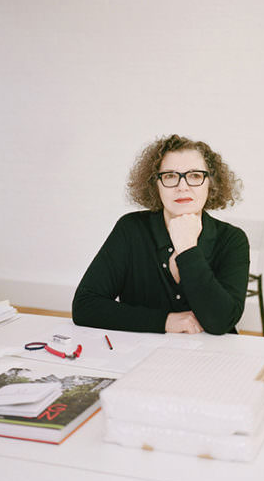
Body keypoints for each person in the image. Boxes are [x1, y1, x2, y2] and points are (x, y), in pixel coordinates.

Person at [72, 134, 249, 335]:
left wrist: (187, 248)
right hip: (142, 356)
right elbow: (84, 306)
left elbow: (221, 322)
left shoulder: (232, 240)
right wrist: (165, 321)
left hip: (211, 359)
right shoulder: (130, 229)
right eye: (170, 176)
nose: (183, 186)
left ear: (211, 183)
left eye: (195, 176)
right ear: (155, 185)